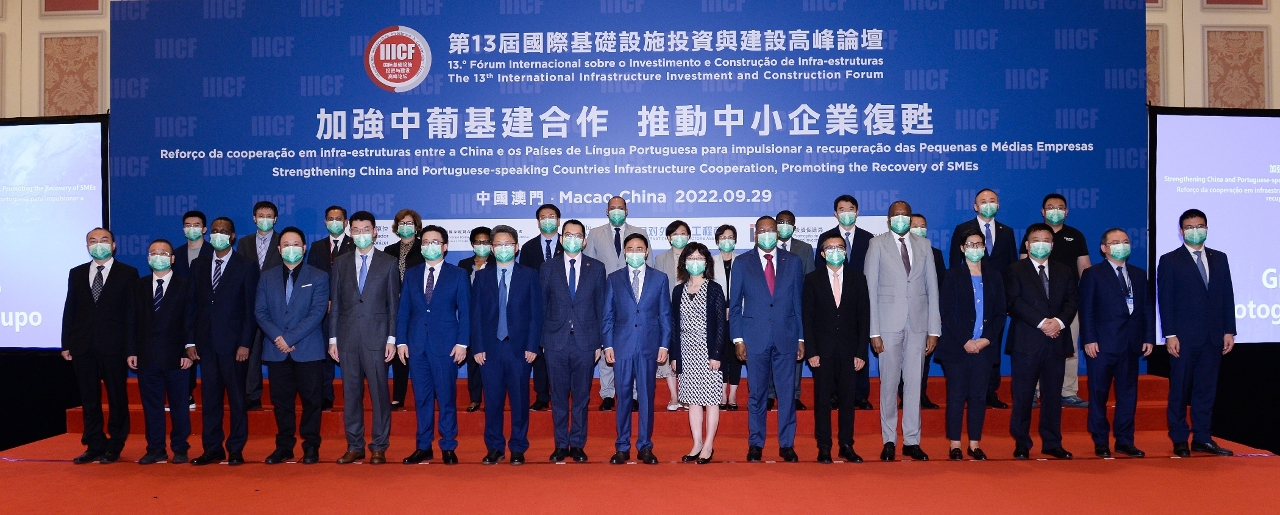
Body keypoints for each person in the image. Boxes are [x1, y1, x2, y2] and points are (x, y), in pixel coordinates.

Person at [864, 201, 939, 462]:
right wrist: (873, 331)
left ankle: (911, 440)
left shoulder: (924, 245)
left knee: (914, 383)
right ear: (888, 220)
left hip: (918, 324)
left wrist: (934, 329)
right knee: (889, 384)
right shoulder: (877, 245)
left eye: (905, 215)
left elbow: (932, 288)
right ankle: (889, 440)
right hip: (887, 325)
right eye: (896, 215)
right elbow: (870, 290)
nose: (901, 219)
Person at [1157, 209, 1235, 457]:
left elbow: (1227, 295)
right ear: (1181, 231)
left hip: (1213, 336)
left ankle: (1202, 437)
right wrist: (1170, 334)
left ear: (1207, 229)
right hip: (1183, 338)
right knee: (1180, 390)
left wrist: (1229, 330)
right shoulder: (1170, 260)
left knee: (1206, 389)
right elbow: (1165, 300)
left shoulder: (1219, 258)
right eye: (1189, 227)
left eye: (1199, 226)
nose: (1195, 231)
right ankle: (1180, 438)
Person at [729, 216, 804, 463]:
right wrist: (738, 339)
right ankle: (756, 443)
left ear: (778, 233)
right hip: (754, 338)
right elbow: (735, 305)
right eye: (762, 230)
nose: (767, 233)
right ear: (755, 235)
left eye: (771, 229)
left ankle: (787, 444)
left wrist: (801, 337)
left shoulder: (793, 261)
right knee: (757, 395)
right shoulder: (742, 263)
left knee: (787, 395)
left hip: (786, 337)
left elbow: (798, 303)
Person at [329, 211, 400, 465]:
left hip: (378, 339)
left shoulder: (388, 262)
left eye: (366, 229)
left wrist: (392, 338)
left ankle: (379, 446)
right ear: (350, 232)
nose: (361, 234)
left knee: (380, 395)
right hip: (347, 339)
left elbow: (393, 306)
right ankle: (354, 445)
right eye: (356, 230)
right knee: (351, 394)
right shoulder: (340, 263)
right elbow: (335, 304)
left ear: (375, 232)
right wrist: (333, 339)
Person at [254, 227, 329, 465]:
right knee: (281, 402)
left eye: (296, 244)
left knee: (311, 401)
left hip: (308, 350)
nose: (291, 248)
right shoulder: (266, 277)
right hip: (276, 350)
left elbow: (317, 312)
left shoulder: (318, 276)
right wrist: (279, 337)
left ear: (304, 248)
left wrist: (290, 338)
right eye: (286, 245)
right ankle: (284, 447)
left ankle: (311, 446)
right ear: (279, 249)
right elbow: (260, 312)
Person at [62, 228, 138, 464]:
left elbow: (132, 314)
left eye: (104, 240)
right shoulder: (76, 273)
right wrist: (66, 343)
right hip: (83, 345)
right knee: (89, 398)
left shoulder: (128, 273)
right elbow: (70, 309)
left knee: (116, 396)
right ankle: (94, 443)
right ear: (87, 247)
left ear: (113, 245)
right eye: (93, 241)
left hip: (114, 346)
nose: (98, 244)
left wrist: (131, 348)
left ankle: (115, 444)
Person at [188, 217, 259, 466]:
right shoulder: (198, 264)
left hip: (234, 345)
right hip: (206, 344)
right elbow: (192, 305)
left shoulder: (246, 266)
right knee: (210, 399)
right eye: (215, 231)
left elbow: (250, 309)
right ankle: (212, 448)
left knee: (237, 400)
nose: (219, 234)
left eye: (224, 231)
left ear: (233, 236)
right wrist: (190, 342)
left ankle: (236, 448)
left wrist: (245, 343)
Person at [471, 225, 543, 465]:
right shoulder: (482, 277)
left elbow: (536, 314)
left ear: (517, 247)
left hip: (520, 349)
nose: (504, 248)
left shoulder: (529, 275)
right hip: (489, 350)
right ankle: (495, 447)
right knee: (492, 402)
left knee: (520, 401)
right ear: (492, 249)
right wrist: (477, 346)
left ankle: (518, 447)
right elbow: (476, 315)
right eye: (499, 245)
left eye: (508, 244)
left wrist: (532, 345)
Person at [397, 225, 470, 465]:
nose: (429, 246)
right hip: (416, 345)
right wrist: (401, 341)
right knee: (422, 398)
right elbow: (403, 310)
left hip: (446, 345)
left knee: (446, 397)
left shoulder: (457, 274)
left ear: (445, 246)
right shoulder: (412, 274)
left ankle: (448, 445)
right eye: (425, 242)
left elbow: (466, 311)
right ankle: (423, 446)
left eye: (435, 242)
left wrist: (462, 343)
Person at [1004, 223, 1077, 460]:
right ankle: (1022, 442)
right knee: (1023, 395)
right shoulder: (1015, 269)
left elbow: (1072, 301)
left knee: (1053, 395)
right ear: (1027, 244)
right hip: (1026, 341)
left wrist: (1058, 322)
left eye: (1046, 240)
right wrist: (1043, 323)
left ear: (1053, 245)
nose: (1041, 244)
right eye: (1036, 240)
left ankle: (1052, 442)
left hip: (1056, 341)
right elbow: (1014, 301)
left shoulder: (1064, 270)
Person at [1079, 228, 1154, 458]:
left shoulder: (1139, 274)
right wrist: (1089, 339)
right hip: (1102, 345)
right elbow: (1086, 309)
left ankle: (1125, 440)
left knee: (1128, 395)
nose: (1122, 245)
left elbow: (1147, 308)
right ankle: (1100, 440)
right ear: (1104, 248)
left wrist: (1149, 337)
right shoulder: (1093, 274)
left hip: (1131, 344)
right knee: (1098, 393)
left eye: (1125, 241)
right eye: (1115, 242)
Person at [539, 219, 607, 463]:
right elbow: (541, 307)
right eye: (568, 235)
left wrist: (599, 343)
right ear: (561, 238)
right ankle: (560, 444)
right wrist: (542, 340)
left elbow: (601, 308)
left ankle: (577, 444)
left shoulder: (596, 268)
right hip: (555, 342)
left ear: (584, 241)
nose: (572, 239)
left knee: (581, 397)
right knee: (558, 397)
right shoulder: (547, 267)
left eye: (577, 236)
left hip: (585, 342)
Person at [602, 233, 673, 465]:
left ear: (646, 251)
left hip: (649, 346)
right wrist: (608, 344)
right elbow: (608, 316)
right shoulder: (614, 278)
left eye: (639, 248)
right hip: (621, 346)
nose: (634, 252)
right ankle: (622, 446)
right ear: (624, 252)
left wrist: (664, 344)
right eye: (630, 249)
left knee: (646, 397)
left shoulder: (659, 278)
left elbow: (665, 315)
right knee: (623, 397)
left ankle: (645, 446)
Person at [936, 229, 1006, 461]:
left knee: (978, 396)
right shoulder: (952, 275)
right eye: (970, 244)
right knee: (956, 395)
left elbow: (1000, 314)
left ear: (984, 248)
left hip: (984, 348)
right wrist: (966, 340)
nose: (975, 248)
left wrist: (986, 340)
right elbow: (947, 311)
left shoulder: (994, 276)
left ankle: (974, 443)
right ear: (962, 248)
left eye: (979, 244)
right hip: (957, 347)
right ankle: (955, 443)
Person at [802, 234, 870, 464]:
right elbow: (808, 318)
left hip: (850, 351)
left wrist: (861, 352)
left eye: (840, 247)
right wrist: (812, 351)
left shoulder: (858, 278)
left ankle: (846, 444)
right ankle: (824, 446)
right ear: (822, 254)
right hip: (822, 352)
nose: (835, 251)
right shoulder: (812, 279)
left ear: (846, 251)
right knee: (822, 400)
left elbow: (864, 318)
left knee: (848, 400)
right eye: (830, 248)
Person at [950, 188, 1017, 409]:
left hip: (996, 298)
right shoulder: (963, 229)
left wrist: (1008, 299)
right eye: (983, 201)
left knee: (993, 343)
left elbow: (1012, 267)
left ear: (998, 204)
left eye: (992, 201)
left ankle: (990, 391)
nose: (988, 204)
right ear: (975, 206)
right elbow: (954, 264)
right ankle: (967, 390)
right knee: (966, 341)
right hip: (968, 298)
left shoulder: (1007, 232)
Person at [129, 239, 193, 465]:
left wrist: (188, 351)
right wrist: (131, 350)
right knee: (151, 406)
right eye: (153, 253)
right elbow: (131, 320)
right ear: (148, 259)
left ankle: (180, 447)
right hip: (146, 356)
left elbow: (190, 321)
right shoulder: (138, 286)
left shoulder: (185, 285)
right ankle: (155, 448)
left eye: (163, 253)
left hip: (177, 357)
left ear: (172, 259)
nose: (158, 257)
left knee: (179, 405)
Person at [1028, 193, 1092, 409]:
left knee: (1069, 348)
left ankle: (1068, 391)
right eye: (1050, 207)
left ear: (1066, 211)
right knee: (1035, 349)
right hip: (1037, 305)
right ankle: (1034, 391)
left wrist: (1089, 298)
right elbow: (1022, 268)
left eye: (1060, 207)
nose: (1055, 210)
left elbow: (1085, 269)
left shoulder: (1076, 235)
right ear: (1043, 211)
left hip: (1068, 304)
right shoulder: (1033, 234)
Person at [582, 196, 644, 411]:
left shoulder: (639, 232)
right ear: (606, 211)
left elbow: (648, 265)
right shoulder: (595, 233)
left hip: (633, 298)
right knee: (606, 344)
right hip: (603, 297)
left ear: (627, 211)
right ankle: (607, 393)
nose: (616, 211)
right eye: (612, 208)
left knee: (632, 346)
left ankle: (633, 395)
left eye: (620, 208)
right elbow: (588, 267)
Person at [814, 195, 875, 410]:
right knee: (830, 349)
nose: (846, 212)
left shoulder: (869, 239)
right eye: (842, 209)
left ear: (857, 212)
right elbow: (818, 272)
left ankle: (860, 395)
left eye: (850, 208)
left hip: (857, 299)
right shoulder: (826, 237)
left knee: (858, 346)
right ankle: (833, 394)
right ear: (835, 213)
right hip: (831, 302)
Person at [670, 242, 726, 465]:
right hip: (686, 350)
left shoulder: (714, 289)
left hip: (708, 350)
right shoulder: (678, 291)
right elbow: (674, 326)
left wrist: (716, 354)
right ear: (684, 262)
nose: (695, 262)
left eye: (699, 258)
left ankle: (709, 445)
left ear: (706, 262)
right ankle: (697, 443)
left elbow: (721, 325)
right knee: (693, 400)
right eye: (691, 258)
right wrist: (675, 355)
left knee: (711, 400)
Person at [307, 205, 355, 412]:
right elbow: (310, 278)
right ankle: (326, 396)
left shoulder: (354, 244)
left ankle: (351, 397)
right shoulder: (317, 247)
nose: (334, 222)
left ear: (345, 222)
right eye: (330, 219)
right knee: (325, 355)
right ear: (325, 222)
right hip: (323, 311)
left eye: (338, 218)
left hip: (349, 311)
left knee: (349, 357)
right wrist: (324, 299)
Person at [238, 200, 282, 412]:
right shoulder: (244, 243)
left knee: (278, 350)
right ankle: (252, 394)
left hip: (278, 305)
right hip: (251, 304)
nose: (265, 219)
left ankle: (279, 396)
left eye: (269, 216)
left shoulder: (284, 241)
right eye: (261, 216)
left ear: (275, 219)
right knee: (252, 351)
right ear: (254, 218)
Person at [898, 213, 945, 410]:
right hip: (898, 315)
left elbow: (940, 286)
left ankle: (920, 395)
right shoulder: (895, 250)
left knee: (922, 359)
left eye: (922, 226)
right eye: (915, 225)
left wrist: (937, 316)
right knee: (900, 359)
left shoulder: (935, 253)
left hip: (924, 316)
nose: (919, 229)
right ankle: (903, 396)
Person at [519, 204, 563, 412]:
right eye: (543, 217)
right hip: (537, 307)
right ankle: (542, 396)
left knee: (562, 355)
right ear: (538, 222)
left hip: (564, 308)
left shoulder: (569, 243)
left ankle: (561, 395)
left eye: (551, 216)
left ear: (558, 220)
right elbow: (524, 279)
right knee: (539, 355)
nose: (547, 220)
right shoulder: (528, 248)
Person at [383, 208, 424, 411]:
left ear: (416, 226)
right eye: (401, 223)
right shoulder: (389, 250)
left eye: (409, 223)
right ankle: (398, 397)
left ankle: (424, 395)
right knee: (399, 349)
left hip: (418, 308)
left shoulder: (424, 248)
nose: (405, 227)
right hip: (394, 308)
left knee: (418, 352)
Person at [648, 220, 691, 412]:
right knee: (667, 351)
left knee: (687, 354)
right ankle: (674, 396)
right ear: (668, 237)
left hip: (691, 312)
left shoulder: (694, 256)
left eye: (683, 233)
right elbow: (657, 286)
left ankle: (687, 395)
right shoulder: (661, 258)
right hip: (666, 311)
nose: (679, 237)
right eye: (675, 234)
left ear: (688, 236)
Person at [774, 210, 812, 412]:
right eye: (780, 222)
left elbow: (810, 280)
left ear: (794, 227)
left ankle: (794, 395)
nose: (784, 225)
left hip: (795, 309)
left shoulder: (804, 249)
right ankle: (770, 395)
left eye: (788, 222)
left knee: (796, 351)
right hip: (771, 311)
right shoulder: (765, 247)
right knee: (769, 351)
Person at [173, 211, 211, 411]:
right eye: (188, 225)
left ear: (204, 229)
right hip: (181, 313)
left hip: (206, 313)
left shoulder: (214, 251)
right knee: (183, 355)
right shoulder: (176, 254)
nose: (192, 228)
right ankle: (185, 396)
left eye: (196, 225)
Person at [458, 226, 494, 412]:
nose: (482, 245)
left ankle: (491, 399)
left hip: (492, 319)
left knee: (491, 361)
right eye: (478, 242)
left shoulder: (498, 263)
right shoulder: (463, 265)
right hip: (470, 319)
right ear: (472, 244)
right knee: (473, 360)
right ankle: (474, 398)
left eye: (486, 241)